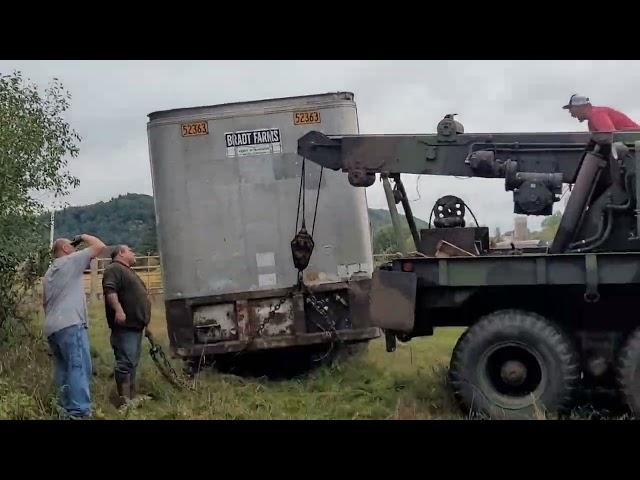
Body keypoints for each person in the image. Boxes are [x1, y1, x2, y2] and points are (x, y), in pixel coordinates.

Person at [43, 234, 106, 419]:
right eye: (72, 246)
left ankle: (65, 408)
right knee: (78, 367)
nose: (76, 249)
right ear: (65, 249)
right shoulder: (70, 261)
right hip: (71, 323)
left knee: (63, 368)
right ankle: (80, 412)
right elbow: (99, 246)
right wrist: (82, 237)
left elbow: (44, 303)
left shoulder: (49, 273)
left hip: (53, 327)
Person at [102, 244, 151, 406]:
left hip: (135, 326)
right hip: (124, 327)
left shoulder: (127, 270)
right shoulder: (114, 269)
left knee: (132, 363)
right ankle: (124, 401)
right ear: (121, 253)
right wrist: (119, 310)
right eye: (131, 250)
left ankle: (131, 398)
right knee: (125, 363)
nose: (134, 252)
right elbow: (110, 290)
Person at [562, 94, 640, 132]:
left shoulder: (597, 114)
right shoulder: (591, 122)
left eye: (572, 108)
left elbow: (610, 136)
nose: (570, 112)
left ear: (584, 107)